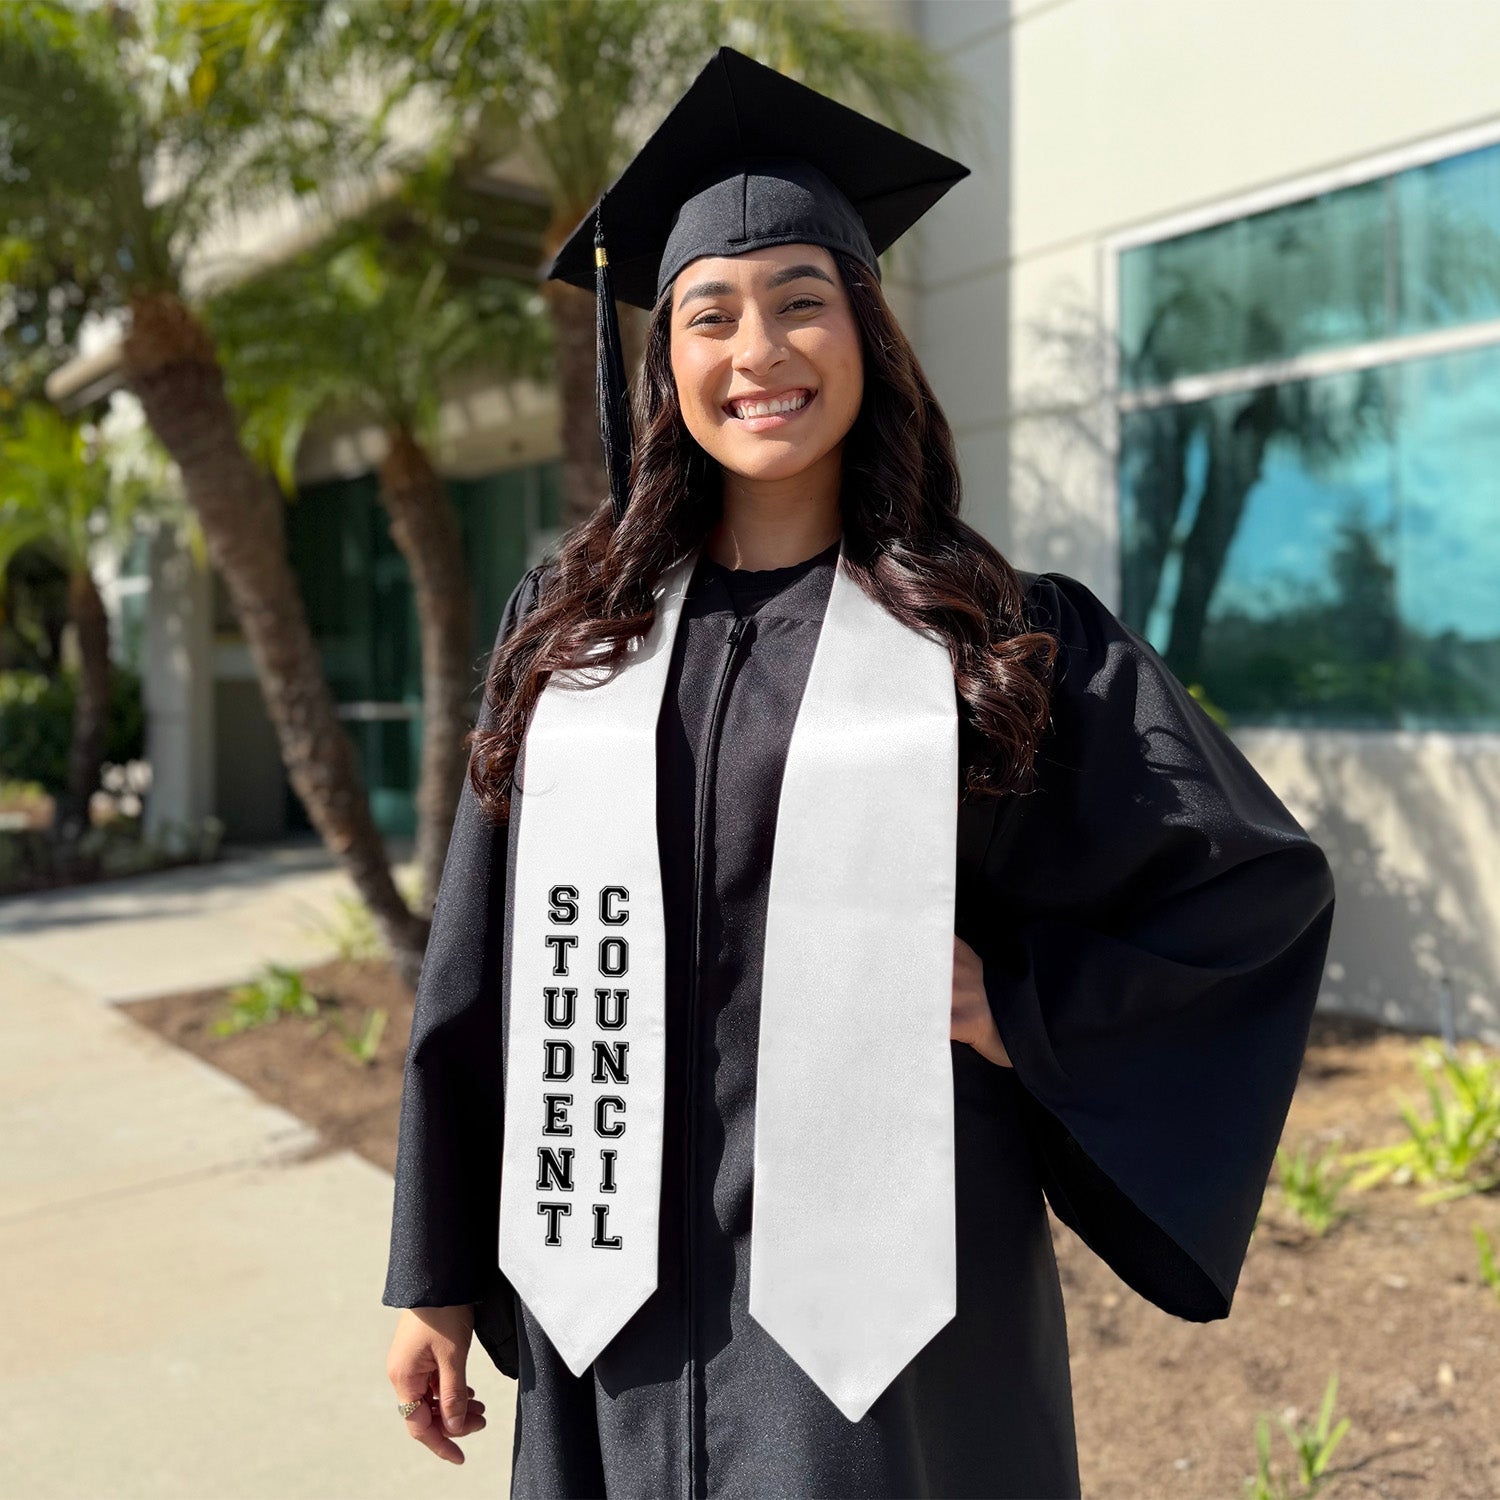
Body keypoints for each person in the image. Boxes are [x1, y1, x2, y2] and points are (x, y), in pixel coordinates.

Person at [382, 47, 1337, 1500]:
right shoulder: (574, 640)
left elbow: (1247, 895)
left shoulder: (999, 636)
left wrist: (1019, 1007)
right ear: (666, 367)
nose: (758, 349)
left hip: (885, 1328)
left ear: (866, 338)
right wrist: (437, 1271)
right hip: (609, 1294)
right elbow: (483, 970)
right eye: (711, 315)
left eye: (800, 303)